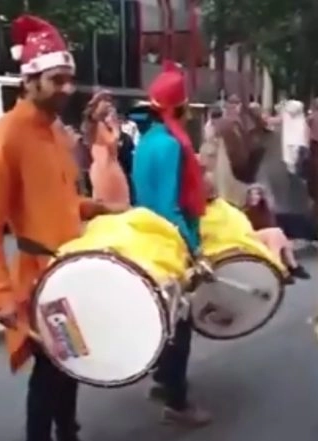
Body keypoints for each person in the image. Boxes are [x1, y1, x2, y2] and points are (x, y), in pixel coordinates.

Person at [0, 15, 121, 441]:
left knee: (69, 364)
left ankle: (68, 432)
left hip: (73, 272)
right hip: (38, 278)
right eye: (57, 80)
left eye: (70, 80)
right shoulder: (5, 135)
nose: (67, 89)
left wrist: (97, 207)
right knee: (49, 371)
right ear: (31, 79)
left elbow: (60, 201)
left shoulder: (58, 134)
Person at [131, 61, 212, 426]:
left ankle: (164, 381)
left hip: (148, 238)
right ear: (178, 107)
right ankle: (177, 402)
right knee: (180, 325)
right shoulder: (171, 145)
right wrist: (193, 248)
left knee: (168, 320)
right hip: (170, 243)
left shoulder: (146, 142)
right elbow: (169, 205)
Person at [243, 184, 311, 280]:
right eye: (251, 194)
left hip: (270, 236)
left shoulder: (265, 210)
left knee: (278, 235)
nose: (253, 197)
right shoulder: (244, 211)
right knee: (276, 234)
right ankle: (288, 268)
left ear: (261, 197)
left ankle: (285, 268)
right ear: (247, 196)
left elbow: (271, 223)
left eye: (257, 194)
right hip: (253, 237)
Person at [82, 90, 130, 208]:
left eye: (110, 101)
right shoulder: (96, 125)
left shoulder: (100, 125)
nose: (109, 105)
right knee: (110, 204)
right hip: (104, 168)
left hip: (108, 167)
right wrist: (115, 127)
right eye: (105, 100)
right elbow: (113, 141)